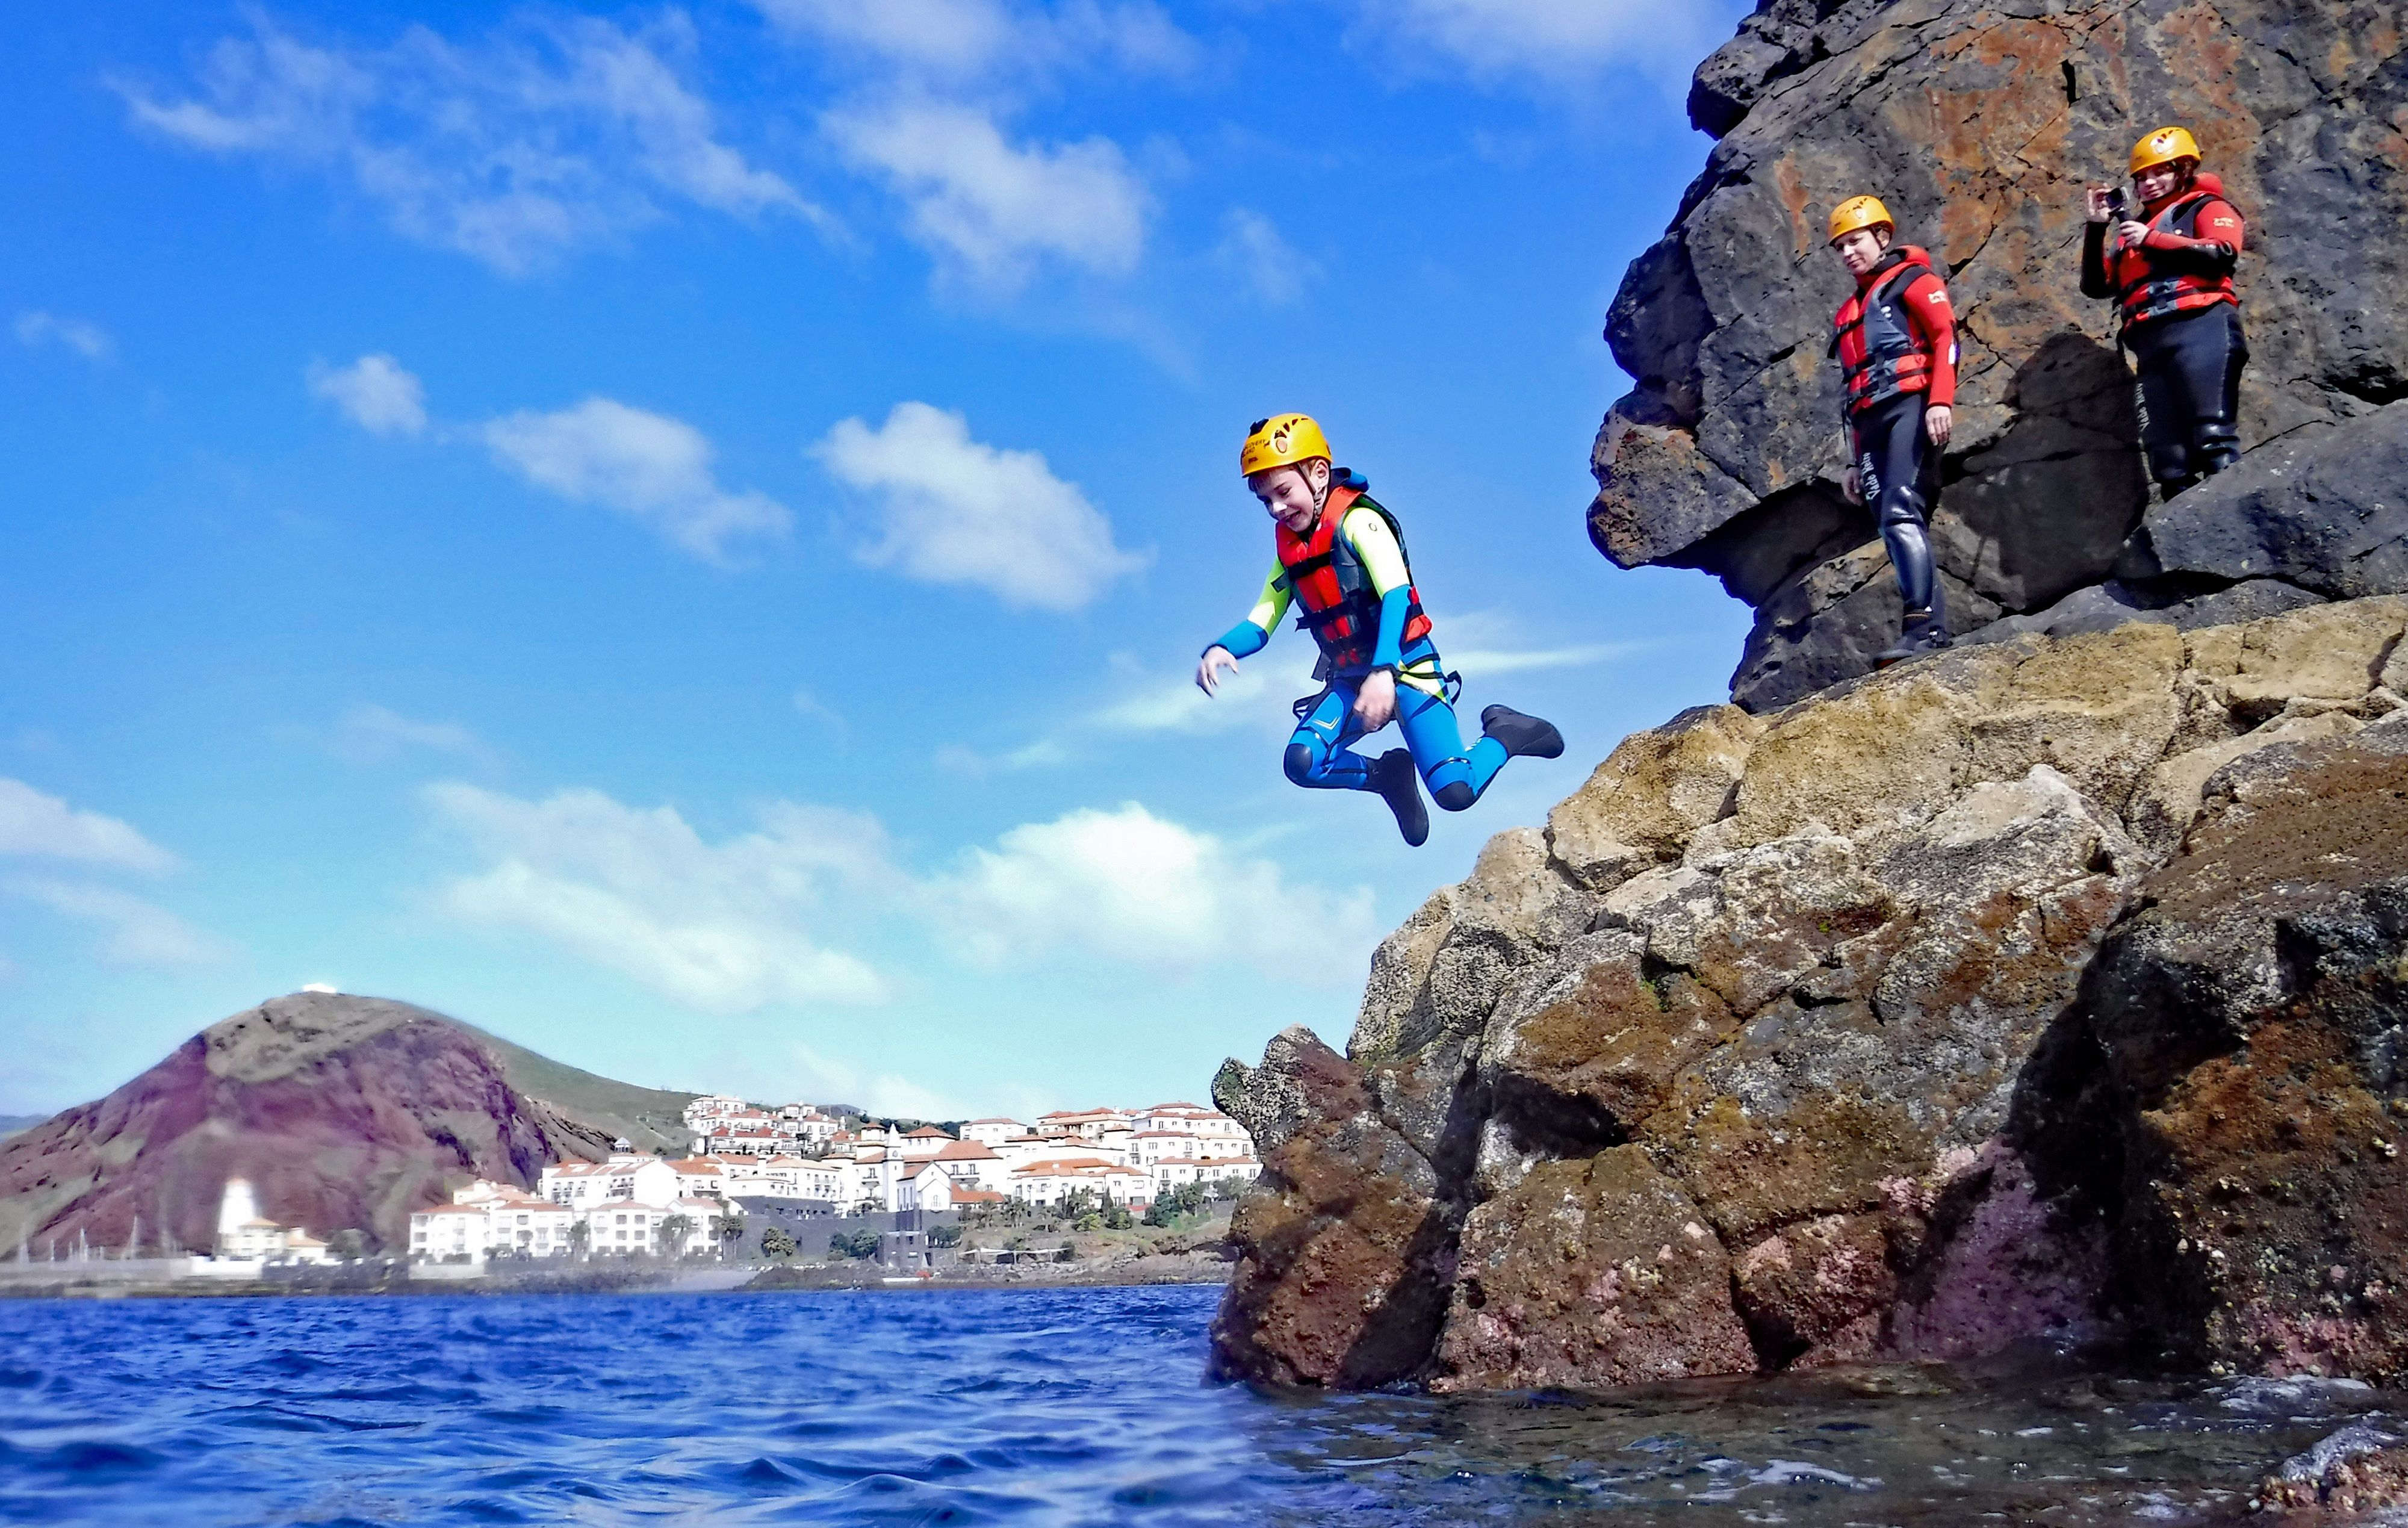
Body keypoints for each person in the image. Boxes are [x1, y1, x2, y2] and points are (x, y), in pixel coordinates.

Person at [1192, 414, 1562, 846]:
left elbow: (1397, 595)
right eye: (1265, 501)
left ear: (1318, 474)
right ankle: (1388, 776)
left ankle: (1506, 733)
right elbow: (1262, 620)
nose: (1276, 508)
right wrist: (1220, 648)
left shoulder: (1360, 523)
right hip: (1350, 678)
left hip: (1407, 667)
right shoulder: (1291, 553)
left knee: (1455, 792)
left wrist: (1384, 671)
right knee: (1304, 762)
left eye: (1283, 492)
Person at [1827, 194, 1960, 665]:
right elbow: (1852, 392)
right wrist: (1851, 460)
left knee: (1903, 510)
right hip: (1870, 422)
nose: (1848, 253)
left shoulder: (1914, 280)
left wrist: (1940, 401)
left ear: (1882, 237)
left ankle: (1922, 630)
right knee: (1889, 520)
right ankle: (1930, 630)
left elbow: (1946, 337)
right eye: (1840, 246)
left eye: (1856, 241)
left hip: (1912, 405)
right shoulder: (1849, 310)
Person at [2082, 125, 2248, 499]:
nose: (2150, 183)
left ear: (2184, 170)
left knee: (2213, 437)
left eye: (2161, 172)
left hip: (2201, 328)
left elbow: (2222, 252)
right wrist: (2096, 230)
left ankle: (2238, 523)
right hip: (2151, 345)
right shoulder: (2132, 232)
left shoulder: (2206, 207)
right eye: (2142, 177)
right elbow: (2096, 286)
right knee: (2168, 460)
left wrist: (2153, 239)